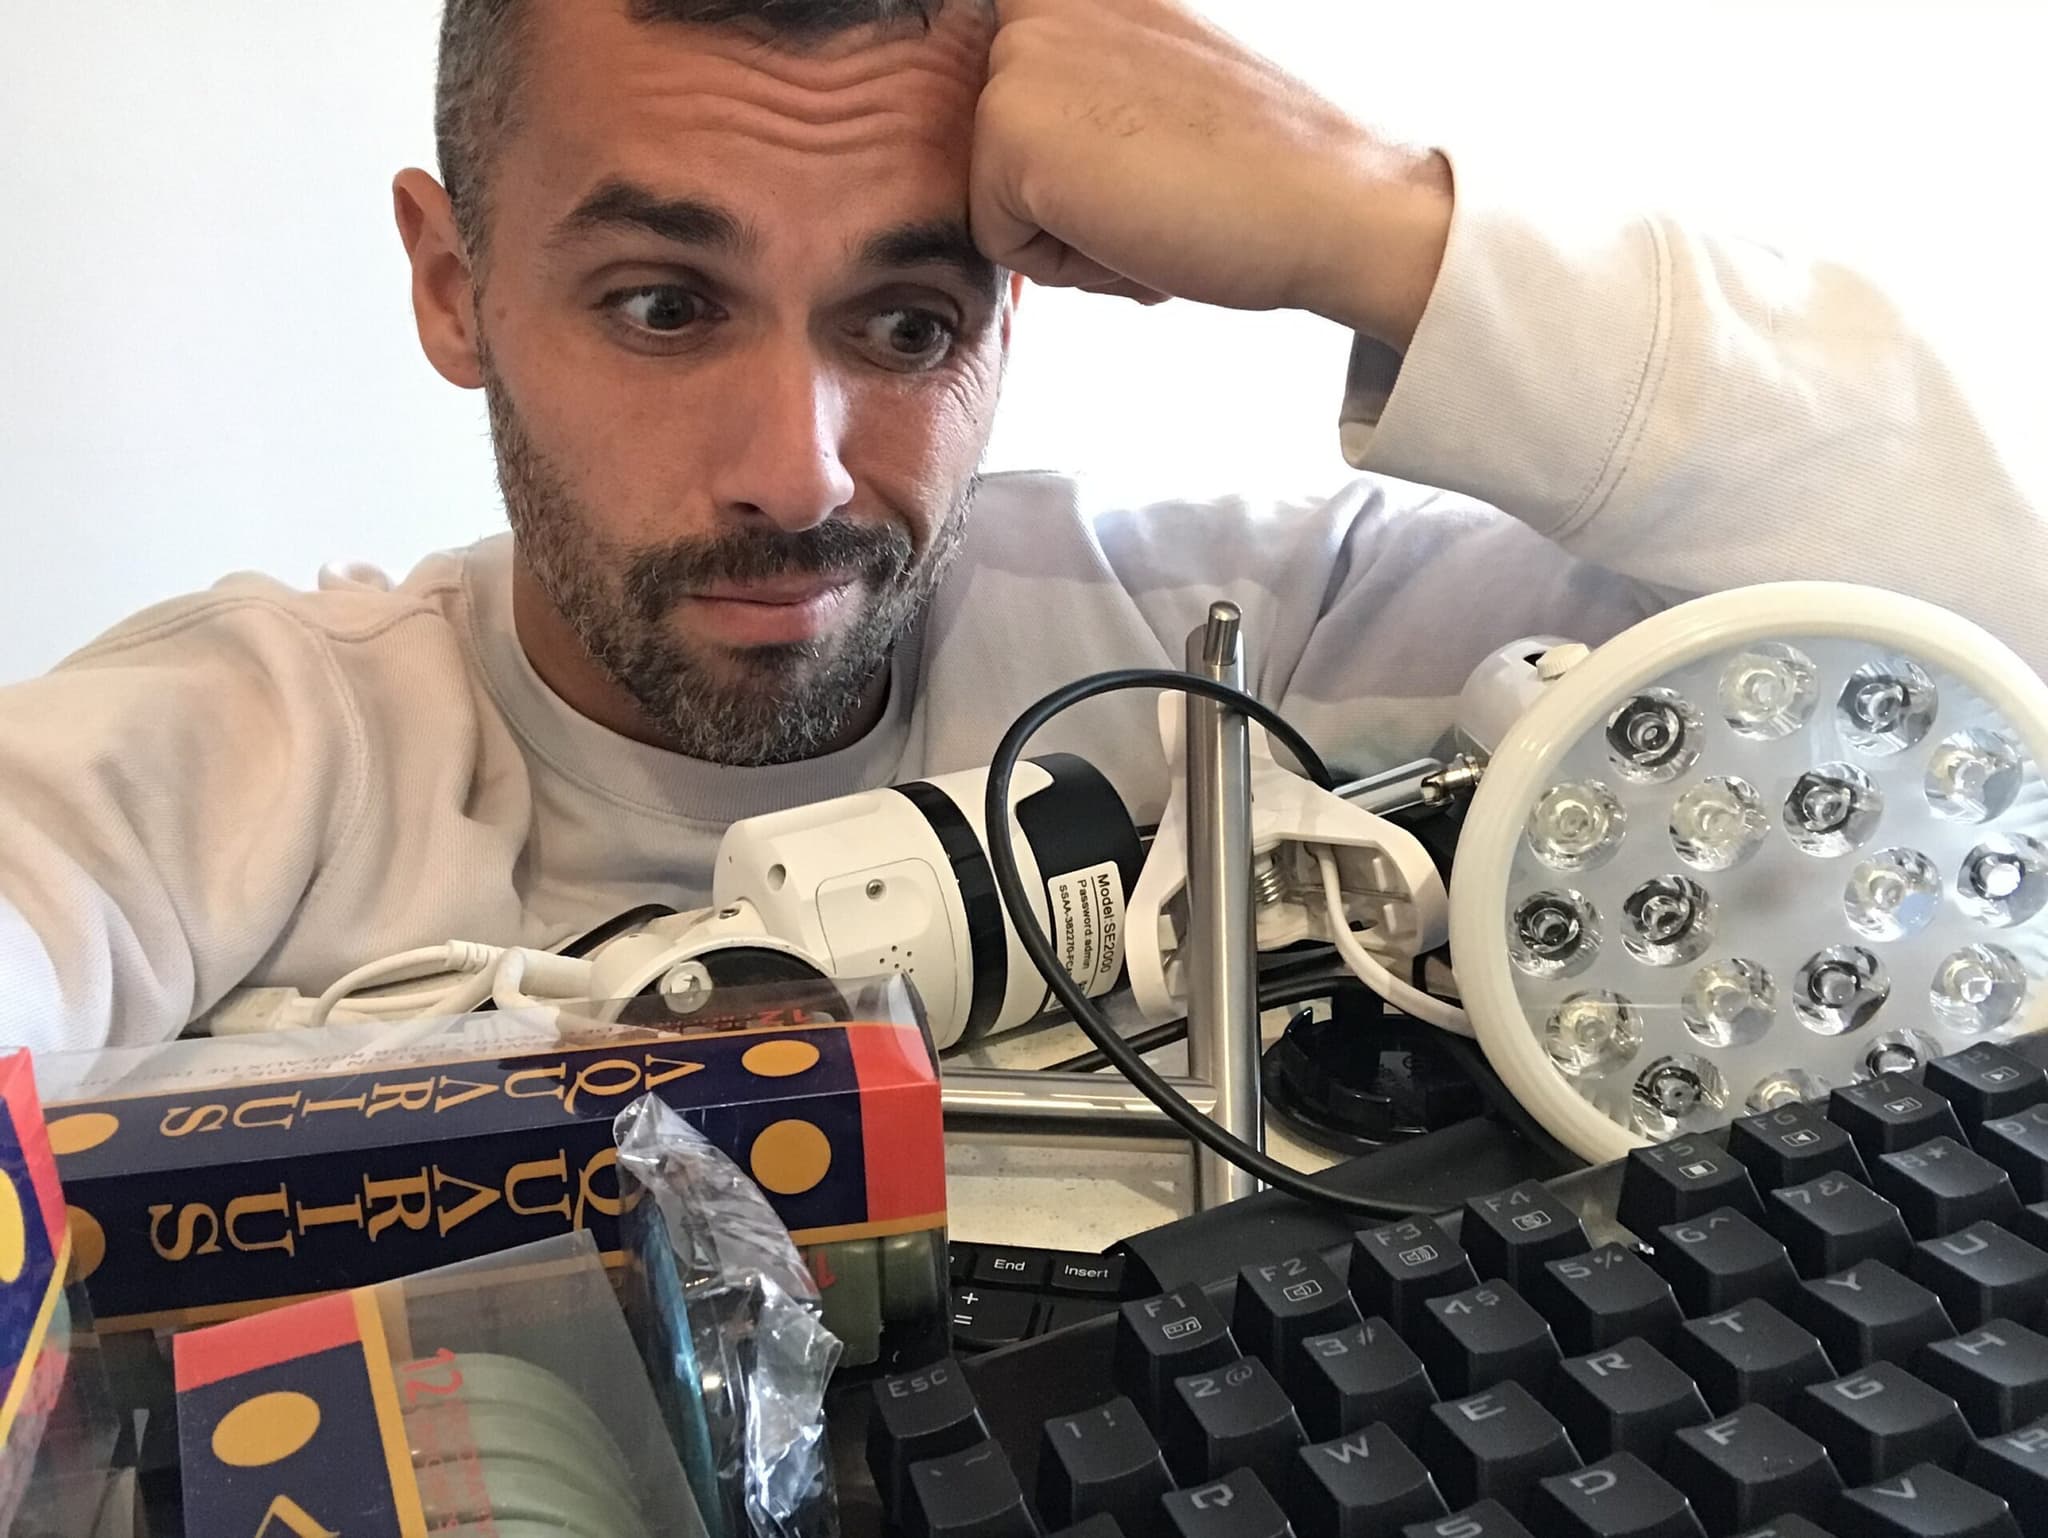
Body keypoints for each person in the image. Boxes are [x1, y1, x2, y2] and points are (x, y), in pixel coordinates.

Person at [0, 0, 2038, 1054]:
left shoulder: (1224, 645)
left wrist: (1377, 221)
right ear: (451, 285)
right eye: (661, 303)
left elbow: (1976, 634)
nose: (795, 473)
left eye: (902, 320)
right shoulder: (235, 765)